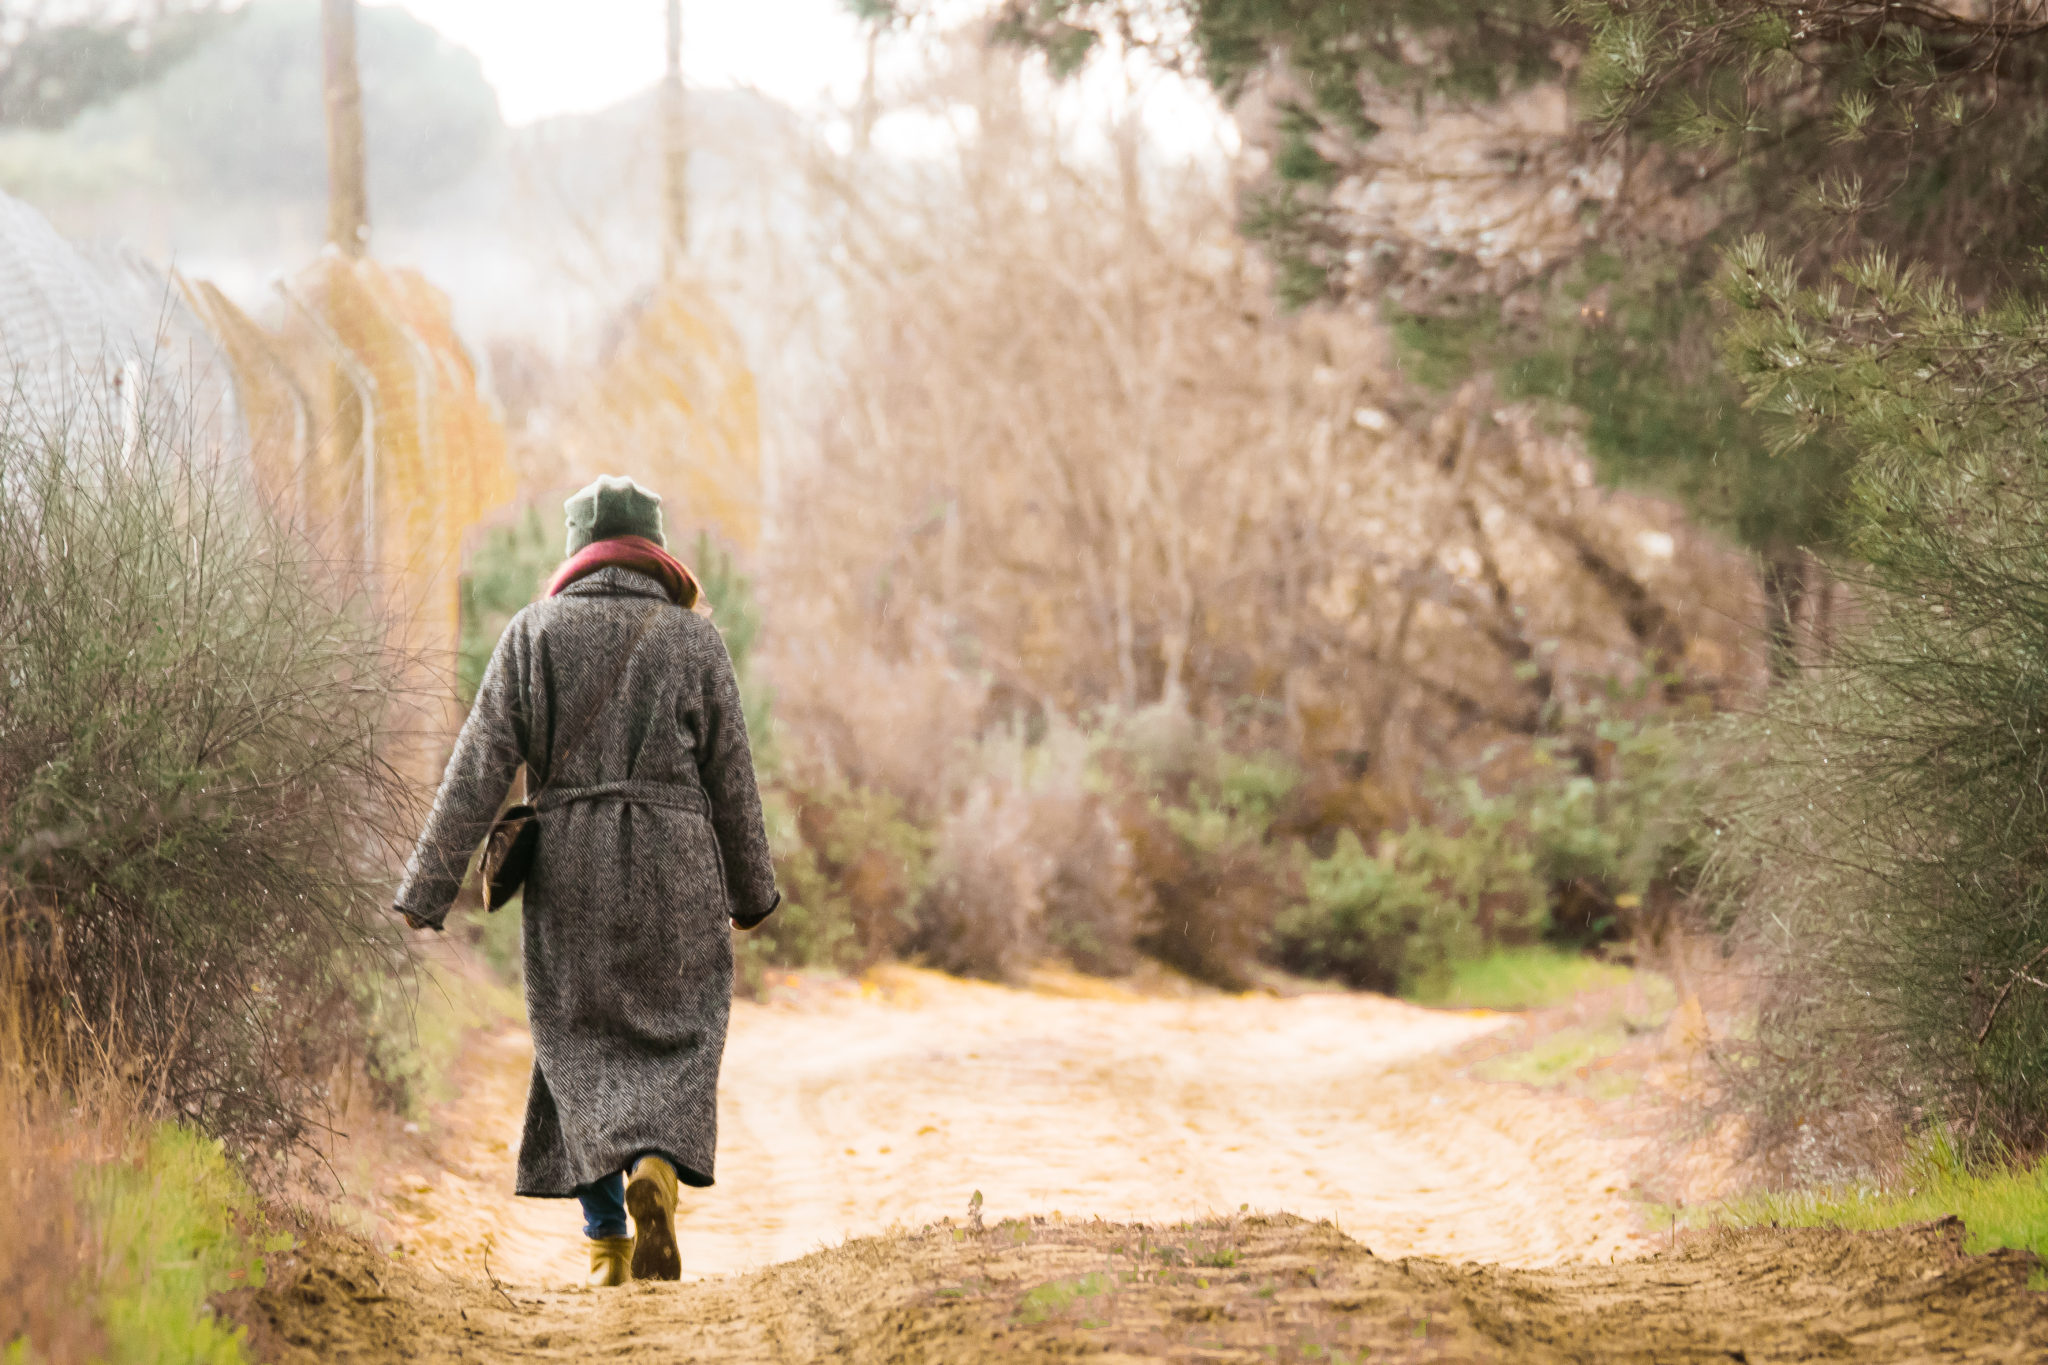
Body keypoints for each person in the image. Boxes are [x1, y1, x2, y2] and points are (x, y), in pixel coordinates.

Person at [394, 475, 779, 1288]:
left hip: (569, 871)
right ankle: (659, 1171)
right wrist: (751, 892)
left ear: (577, 552)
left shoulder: (531, 636)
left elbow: (476, 772)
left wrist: (429, 886)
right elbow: (733, 781)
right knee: (678, 1032)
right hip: (679, 864)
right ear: (656, 551)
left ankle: (606, 1242)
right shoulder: (695, 641)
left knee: (578, 1047)